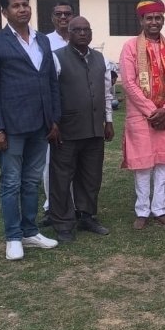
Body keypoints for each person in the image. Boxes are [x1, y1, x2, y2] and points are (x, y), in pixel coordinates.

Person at [0, 0, 61, 260]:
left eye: (25, 4)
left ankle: (30, 231)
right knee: (11, 183)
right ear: (5, 12)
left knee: (32, 181)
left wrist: (54, 119)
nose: (22, 9)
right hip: (11, 127)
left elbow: (51, 81)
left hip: (40, 125)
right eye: (16, 6)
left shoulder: (41, 40)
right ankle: (13, 236)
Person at [120, 0, 165, 230]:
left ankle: (159, 209)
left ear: (163, 20)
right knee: (143, 164)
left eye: (158, 17)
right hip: (141, 116)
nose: (154, 22)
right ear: (141, 21)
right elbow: (129, 83)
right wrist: (152, 111)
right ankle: (142, 210)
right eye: (149, 18)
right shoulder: (130, 47)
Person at [49, 16, 114, 239]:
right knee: (61, 178)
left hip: (94, 128)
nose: (83, 33)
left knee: (91, 175)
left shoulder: (100, 59)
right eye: (77, 30)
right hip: (67, 129)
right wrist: (53, 123)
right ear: (69, 33)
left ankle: (87, 216)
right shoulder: (57, 57)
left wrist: (108, 121)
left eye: (87, 29)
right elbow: (51, 93)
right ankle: (63, 223)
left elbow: (106, 92)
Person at [40, 0, 75, 223]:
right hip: (53, 110)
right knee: (50, 160)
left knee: (75, 160)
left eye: (67, 14)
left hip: (76, 111)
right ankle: (51, 205)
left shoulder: (80, 38)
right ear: (52, 18)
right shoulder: (44, 42)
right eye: (58, 14)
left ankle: (74, 204)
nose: (63, 17)